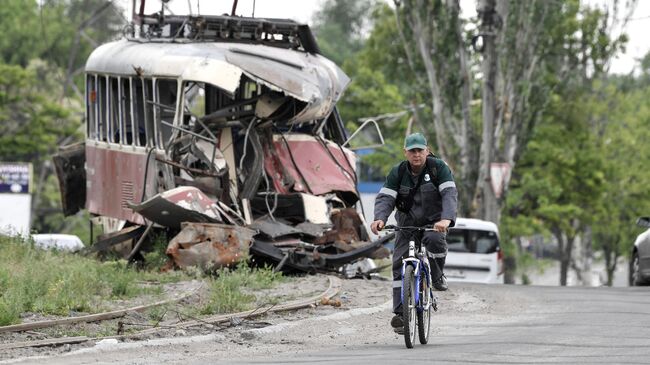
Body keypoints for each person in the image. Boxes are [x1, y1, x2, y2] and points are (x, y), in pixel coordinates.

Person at [370, 132, 458, 332]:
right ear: (405, 152)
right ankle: (401, 313)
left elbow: (449, 194)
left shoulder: (439, 168)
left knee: (435, 241)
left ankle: (436, 276)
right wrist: (380, 218)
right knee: (399, 262)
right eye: (412, 151)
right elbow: (386, 198)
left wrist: (446, 219)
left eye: (420, 150)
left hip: (434, 221)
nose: (416, 154)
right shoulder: (398, 172)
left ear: (427, 151)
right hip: (406, 223)